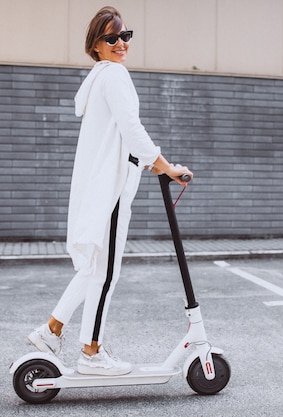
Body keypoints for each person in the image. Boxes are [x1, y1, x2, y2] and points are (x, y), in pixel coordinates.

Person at [28, 6, 192, 376]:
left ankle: (51, 330)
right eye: (111, 38)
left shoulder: (99, 77)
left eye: (125, 36)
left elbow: (123, 136)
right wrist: (166, 167)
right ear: (97, 45)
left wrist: (155, 164)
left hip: (103, 185)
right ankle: (91, 352)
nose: (121, 44)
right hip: (113, 188)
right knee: (105, 273)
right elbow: (132, 131)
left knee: (93, 270)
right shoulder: (114, 76)